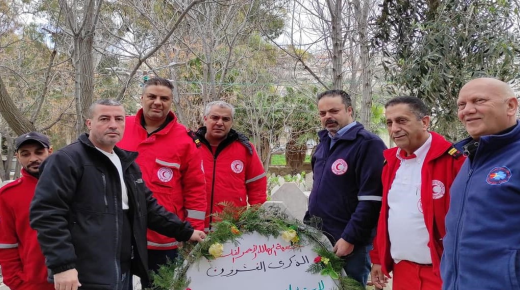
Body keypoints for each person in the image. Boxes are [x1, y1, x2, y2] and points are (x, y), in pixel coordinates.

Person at [30, 99, 206, 290]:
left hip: (122, 270)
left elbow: (148, 209)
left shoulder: (127, 163)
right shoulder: (66, 160)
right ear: (89, 123)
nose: (113, 124)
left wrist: (187, 232)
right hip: (84, 275)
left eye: (118, 119)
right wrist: (63, 266)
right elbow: (47, 215)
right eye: (104, 118)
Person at [369, 97, 465, 290]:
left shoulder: (456, 161)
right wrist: (378, 258)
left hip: (443, 272)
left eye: (402, 121)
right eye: (389, 122)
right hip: (403, 271)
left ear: (425, 122)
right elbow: (387, 214)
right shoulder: (390, 163)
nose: (394, 128)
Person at [117, 77, 206, 282]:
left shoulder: (185, 139)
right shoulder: (120, 126)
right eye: (152, 96)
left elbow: (195, 188)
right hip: (120, 234)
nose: (158, 102)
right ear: (142, 98)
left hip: (162, 238)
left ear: (170, 102)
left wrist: (192, 229)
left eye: (164, 98)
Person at [441, 78, 520, 290]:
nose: (467, 110)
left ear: (511, 106)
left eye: (479, 100)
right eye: (461, 105)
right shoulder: (469, 158)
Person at [304, 89, 386, 286]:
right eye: (323, 113)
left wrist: (350, 238)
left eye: (334, 111)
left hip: (350, 243)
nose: (328, 117)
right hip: (319, 237)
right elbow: (319, 190)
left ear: (349, 110)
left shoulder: (368, 144)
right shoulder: (323, 144)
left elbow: (372, 200)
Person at [195, 101, 267, 231]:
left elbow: (257, 189)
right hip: (194, 229)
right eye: (215, 117)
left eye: (225, 119)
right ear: (205, 119)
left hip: (232, 231)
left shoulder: (245, 149)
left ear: (231, 122)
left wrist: (252, 221)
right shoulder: (191, 145)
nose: (220, 123)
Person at [0, 132, 54, 290]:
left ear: (50, 151)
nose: (33, 159)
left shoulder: (73, 186)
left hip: (79, 280)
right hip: (34, 284)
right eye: (25, 154)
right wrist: (19, 282)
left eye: (39, 152)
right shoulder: (8, 195)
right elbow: (5, 245)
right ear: (17, 156)